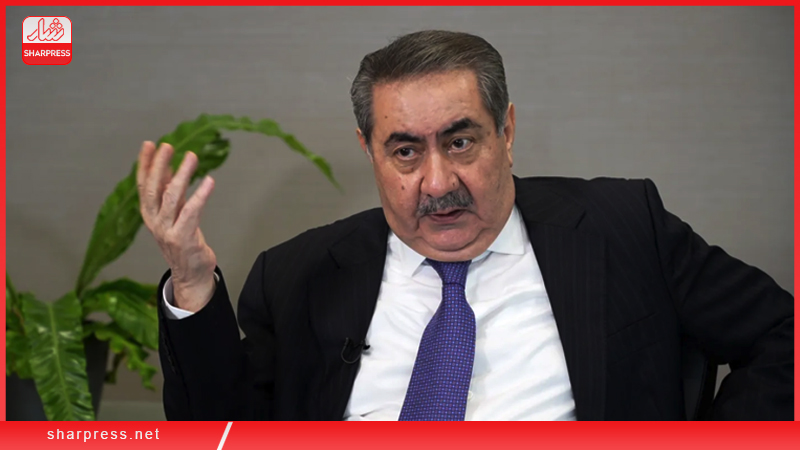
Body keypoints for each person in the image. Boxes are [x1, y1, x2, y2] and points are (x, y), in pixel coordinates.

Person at [138, 30, 793, 421]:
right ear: (368, 150)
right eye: (405, 151)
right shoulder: (298, 274)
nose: (437, 183)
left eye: (460, 142)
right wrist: (192, 284)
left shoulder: (621, 227)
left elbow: (781, 334)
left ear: (506, 131)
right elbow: (219, 432)